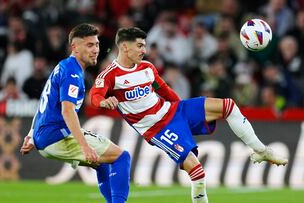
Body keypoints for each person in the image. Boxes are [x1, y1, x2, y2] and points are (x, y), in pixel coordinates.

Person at [90, 27, 289, 202]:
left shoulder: (148, 68)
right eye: (140, 46)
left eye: (145, 46)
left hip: (175, 111)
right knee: (198, 172)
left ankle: (261, 151)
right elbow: (95, 95)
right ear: (125, 47)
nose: (144, 50)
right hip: (157, 128)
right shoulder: (110, 75)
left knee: (228, 105)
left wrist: (184, 109)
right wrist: (104, 101)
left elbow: (166, 92)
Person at [20, 23, 130, 203]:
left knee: (101, 163)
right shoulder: (72, 72)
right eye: (89, 45)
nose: (95, 50)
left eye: (96, 44)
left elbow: (45, 103)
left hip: (44, 136)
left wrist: (32, 134)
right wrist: (85, 146)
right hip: (56, 136)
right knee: (122, 157)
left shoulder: (63, 66)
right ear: (75, 47)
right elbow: (67, 110)